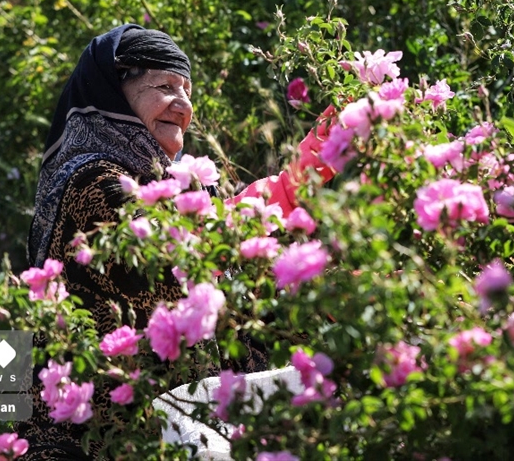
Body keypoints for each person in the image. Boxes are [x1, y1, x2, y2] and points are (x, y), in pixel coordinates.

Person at [18, 23, 334, 460]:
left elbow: (228, 247)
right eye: (165, 86)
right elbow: (180, 267)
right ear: (116, 92)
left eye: (187, 91)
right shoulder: (93, 184)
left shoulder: (178, 187)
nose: (184, 105)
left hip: (178, 415)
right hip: (103, 439)